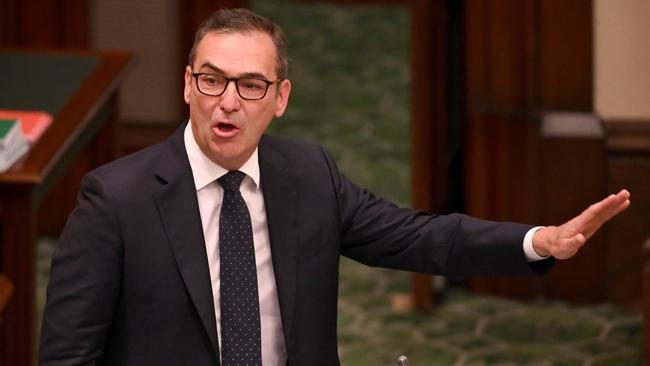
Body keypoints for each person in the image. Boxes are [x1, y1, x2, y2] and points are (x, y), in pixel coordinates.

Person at [38, 8, 631, 366]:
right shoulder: (114, 199)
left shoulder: (308, 176)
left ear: (280, 99)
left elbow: (419, 237)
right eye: (212, 80)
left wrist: (539, 241)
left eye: (249, 86)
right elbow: (67, 355)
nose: (227, 103)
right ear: (187, 85)